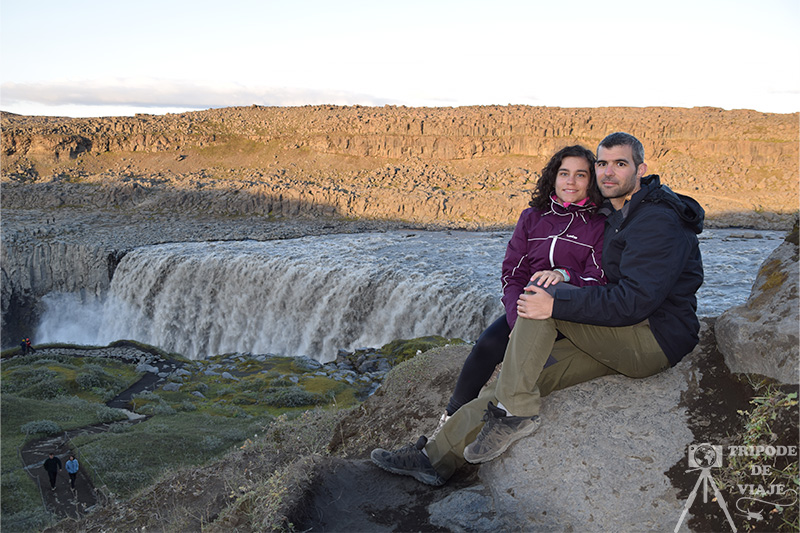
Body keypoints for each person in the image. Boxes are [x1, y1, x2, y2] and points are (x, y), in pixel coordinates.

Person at [371, 132, 704, 486]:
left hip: (652, 338)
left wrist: (558, 296)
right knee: (515, 380)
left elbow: (634, 301)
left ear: (641, 169)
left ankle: (516, 412)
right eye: (603, 164)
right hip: (618, 335)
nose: (608, 172)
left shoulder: (656, 221)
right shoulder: (620, 211)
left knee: (541, 298)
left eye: (620, 164)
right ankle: (434, 459)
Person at [438, 145, 607, 431]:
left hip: (570, 313)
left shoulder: (599, 224)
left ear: (591, 181)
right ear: (553, 177)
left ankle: (496, 419)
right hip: (527, 311)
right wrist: (517, 322)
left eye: (581, 175)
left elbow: (599, 278)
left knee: (541, 365)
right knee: (488, 344)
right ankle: (450, 419)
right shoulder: (532, 217)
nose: (571, 181)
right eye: (564, 173)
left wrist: (565, 275)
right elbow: (513, 274)